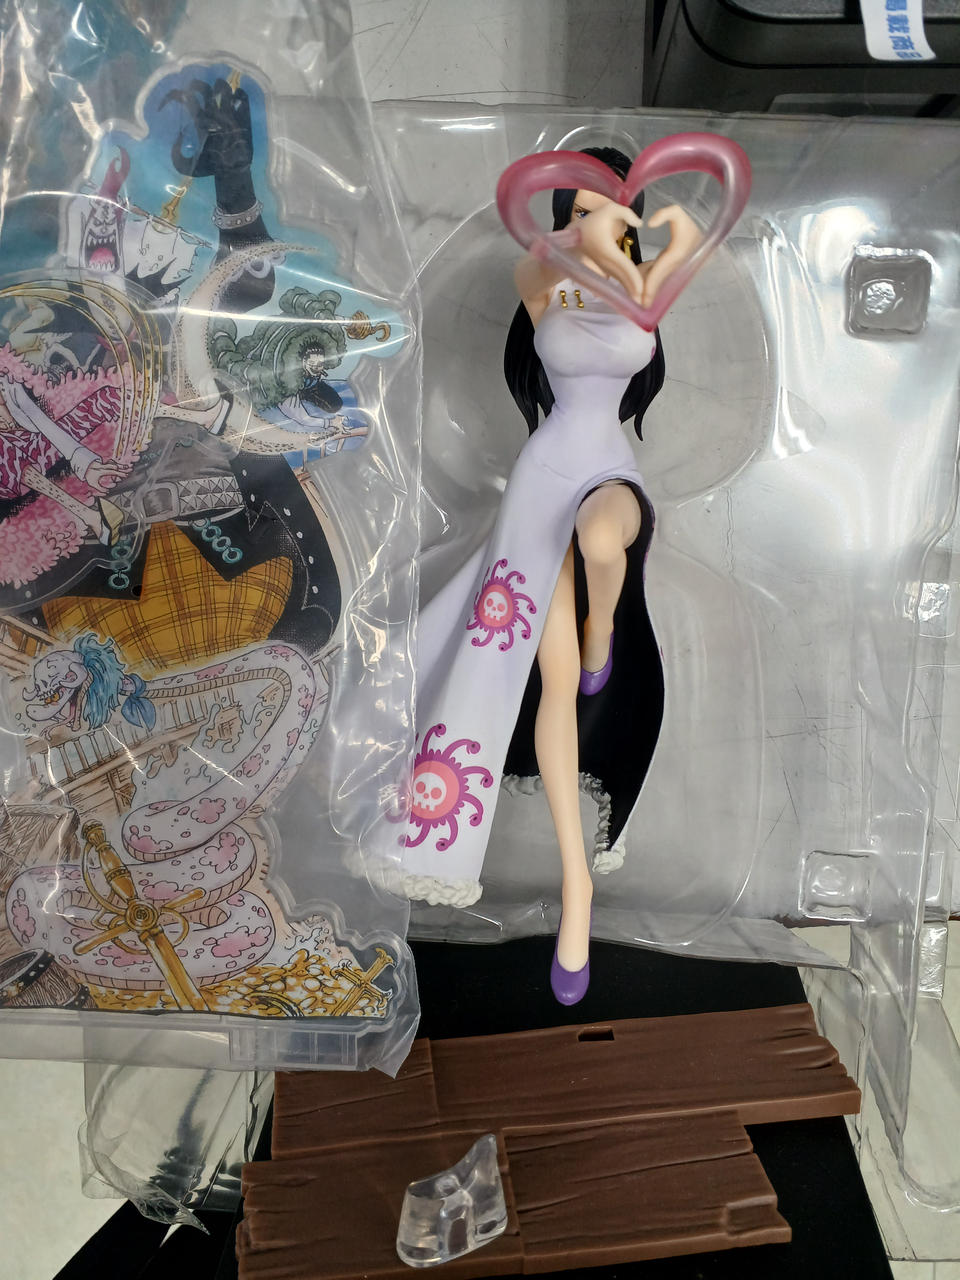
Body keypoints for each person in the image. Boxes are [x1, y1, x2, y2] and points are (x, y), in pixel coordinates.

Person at [397, 147, 700, 1004]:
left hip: (609, 475)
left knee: (604, 538)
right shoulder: (547, 283)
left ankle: (605, 628)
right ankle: (577, 887)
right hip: (541, 482)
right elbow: (537, 262)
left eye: (603, 211)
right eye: (574, 210)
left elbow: (680, 244)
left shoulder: (640, 289)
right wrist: (584, 237)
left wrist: (652, 230)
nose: (588, 225)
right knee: (554, 676)